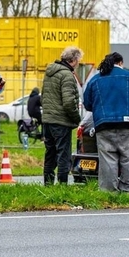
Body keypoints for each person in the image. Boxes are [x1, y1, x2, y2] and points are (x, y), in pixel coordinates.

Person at [82, 52, 129, 193]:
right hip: (128, 124)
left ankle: (109, 192)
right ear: (120, 62)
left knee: (108, 160)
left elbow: (88, 103)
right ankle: (128, 192)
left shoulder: (95, 80)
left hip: (104, 125)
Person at [41, 46, 83, 185]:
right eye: (78, 60)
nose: (78, 63)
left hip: (47, 120)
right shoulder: (66, 75)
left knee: (50, 153)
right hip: (61, 122)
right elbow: (69, 102)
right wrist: (77, 119)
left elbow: (44, 97)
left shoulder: (49, 73)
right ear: (74, 60)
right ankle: (62, 186)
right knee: (63, 154)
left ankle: (47, 184)